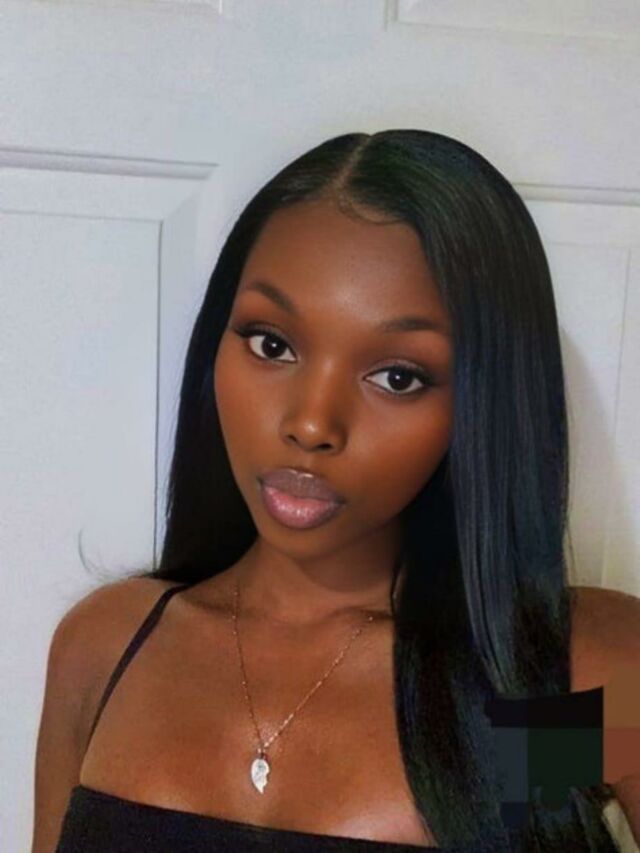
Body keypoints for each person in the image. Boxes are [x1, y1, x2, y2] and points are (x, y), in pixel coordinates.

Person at [31, 130, 640, 852]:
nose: (312, 423)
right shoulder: (109, 649)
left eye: (397, 376)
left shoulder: (573, 674)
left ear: (481, 401)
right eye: (271, 343)